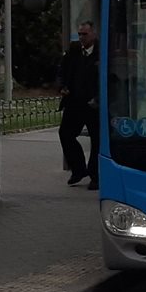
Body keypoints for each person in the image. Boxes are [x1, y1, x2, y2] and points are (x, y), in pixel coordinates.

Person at [59, 21, 100, 190]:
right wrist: (63, 87)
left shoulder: (101, 52)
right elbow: (63, 70)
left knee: (97, 140)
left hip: (94, 105)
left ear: (94, 34)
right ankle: (78, 169)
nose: (82, 38)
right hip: (75, 102)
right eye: (80, 34)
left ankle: (95, 175)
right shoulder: (74, 50)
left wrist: (98, 98)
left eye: (85, 34)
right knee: (65, 133)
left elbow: (111, 77)